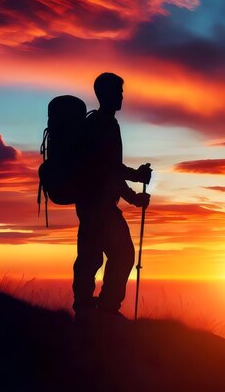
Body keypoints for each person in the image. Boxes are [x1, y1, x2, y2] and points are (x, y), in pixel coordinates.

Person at [72, 72, 151, 319]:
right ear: (104, 94)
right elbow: (107, 167)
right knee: (99, 256)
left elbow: (111, 175)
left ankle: (95, 309)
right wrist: (137, 177)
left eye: (121, 92)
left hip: (97, 204)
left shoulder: (107, 124)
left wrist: (133, 198)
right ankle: (95, 311)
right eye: (118, 92)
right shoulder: (98, 125)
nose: (121, 97)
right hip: (95, 205)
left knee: (101, 255)